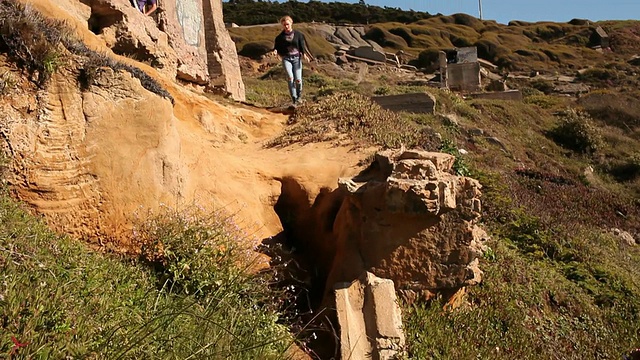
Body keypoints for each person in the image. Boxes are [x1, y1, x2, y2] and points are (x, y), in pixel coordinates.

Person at [273, 16, 313, 106]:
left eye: (287, 24)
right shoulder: (280, 37)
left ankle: (299, 96)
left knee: (298, 79)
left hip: (297, 59)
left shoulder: (298, 35)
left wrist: (305, 55)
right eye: (284, 25)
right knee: (290, 78)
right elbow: (276, 46)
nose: (286, 26)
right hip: (286, 58)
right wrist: (275, 51)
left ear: (291, 23)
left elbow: (302, 46)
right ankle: (294, 98)